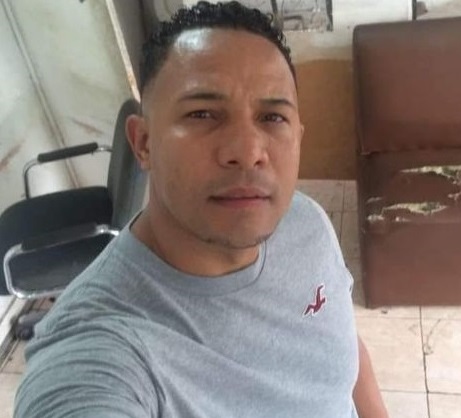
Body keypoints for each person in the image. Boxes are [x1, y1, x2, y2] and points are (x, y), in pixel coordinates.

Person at [15, 2, 388, 417]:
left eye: (272, 117)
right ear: (144, 143)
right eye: (203, 114)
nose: (248, 151)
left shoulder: (307, 222)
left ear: (298, 137)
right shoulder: (102, 349)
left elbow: (344, 348)